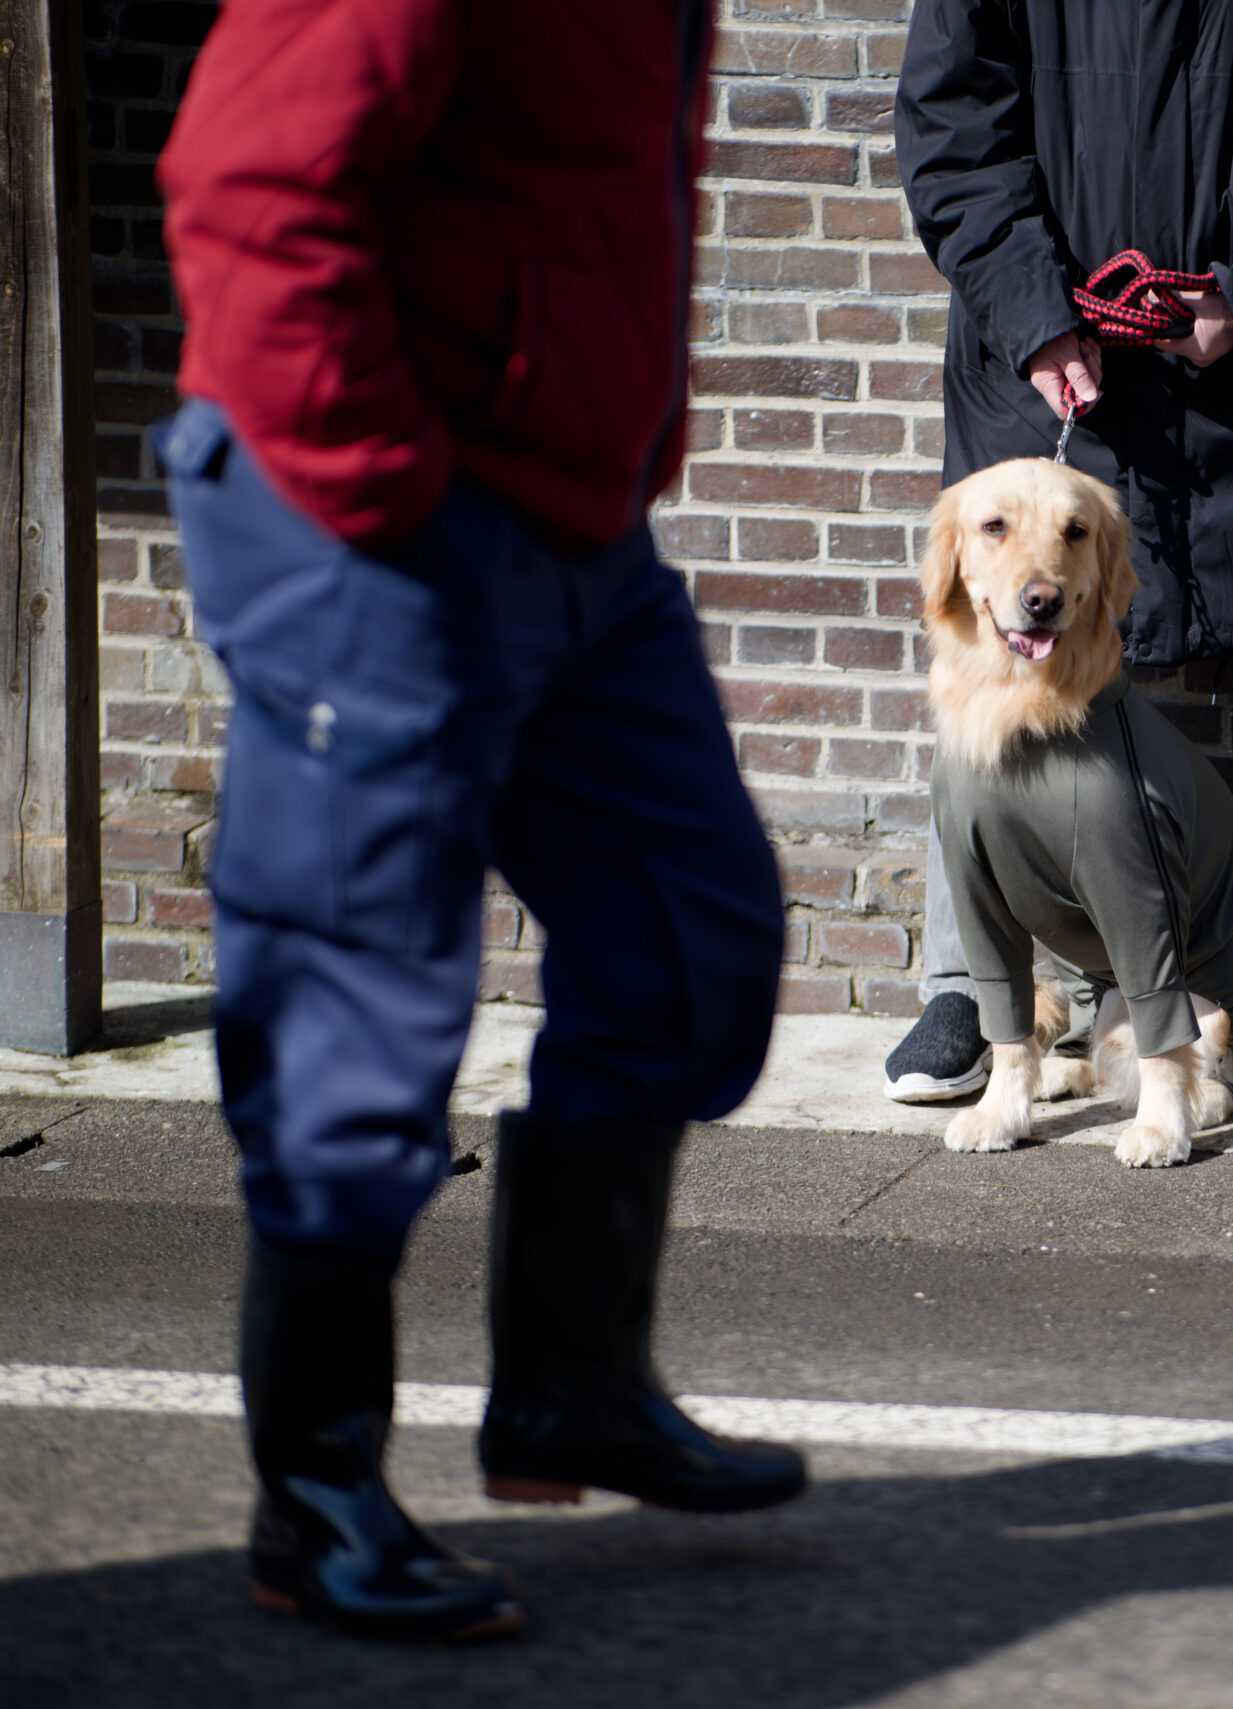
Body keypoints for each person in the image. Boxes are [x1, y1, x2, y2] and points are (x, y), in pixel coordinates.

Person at [156, 0, 806, 1642]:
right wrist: (385, 488)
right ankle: (313, 1496)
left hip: (567, 519)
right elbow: (248, 179)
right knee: (356, 1012)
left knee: (687, 928)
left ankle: (572, 1392)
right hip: (372, 509)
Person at [887, 0, 1233, 1121]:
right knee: (993, 683)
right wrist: (1038, 313)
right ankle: (967, 991)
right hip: (1041, 370)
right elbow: (953, 125)